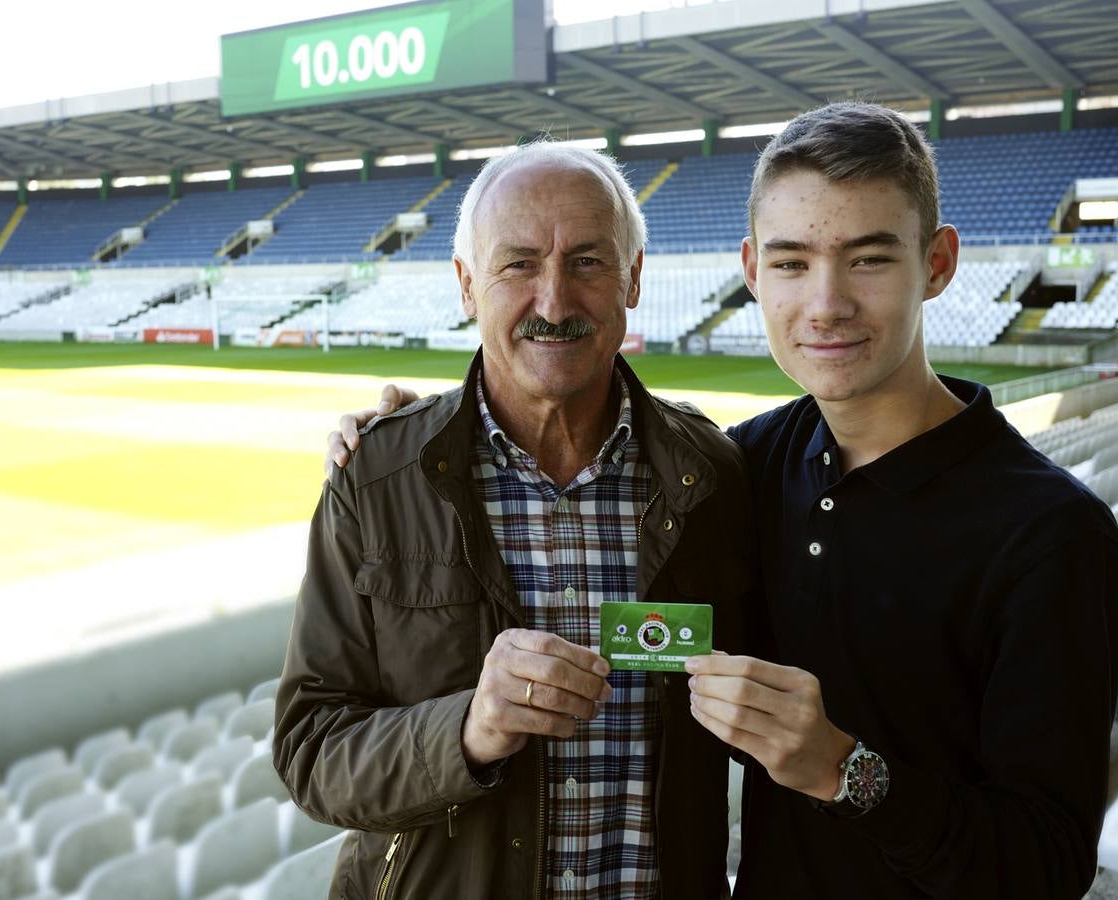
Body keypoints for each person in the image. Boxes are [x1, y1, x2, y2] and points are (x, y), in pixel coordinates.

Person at [326, 101, 1118, 899]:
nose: (824, 303)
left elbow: (1047, 864)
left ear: (937, 262)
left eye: (868, 258)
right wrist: (423, 430)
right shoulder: (735, 469)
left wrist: (842, 770)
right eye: (791, 262)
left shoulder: (1052, 534)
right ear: (751, 271)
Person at [274, 141, 759, 899]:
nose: (554, 301)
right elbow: (311, 751)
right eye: (518, 264)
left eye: (588, 262)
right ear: (467, 285)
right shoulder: (375, 480)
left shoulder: (713, 477)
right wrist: (468, 729)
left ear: (633, 278)